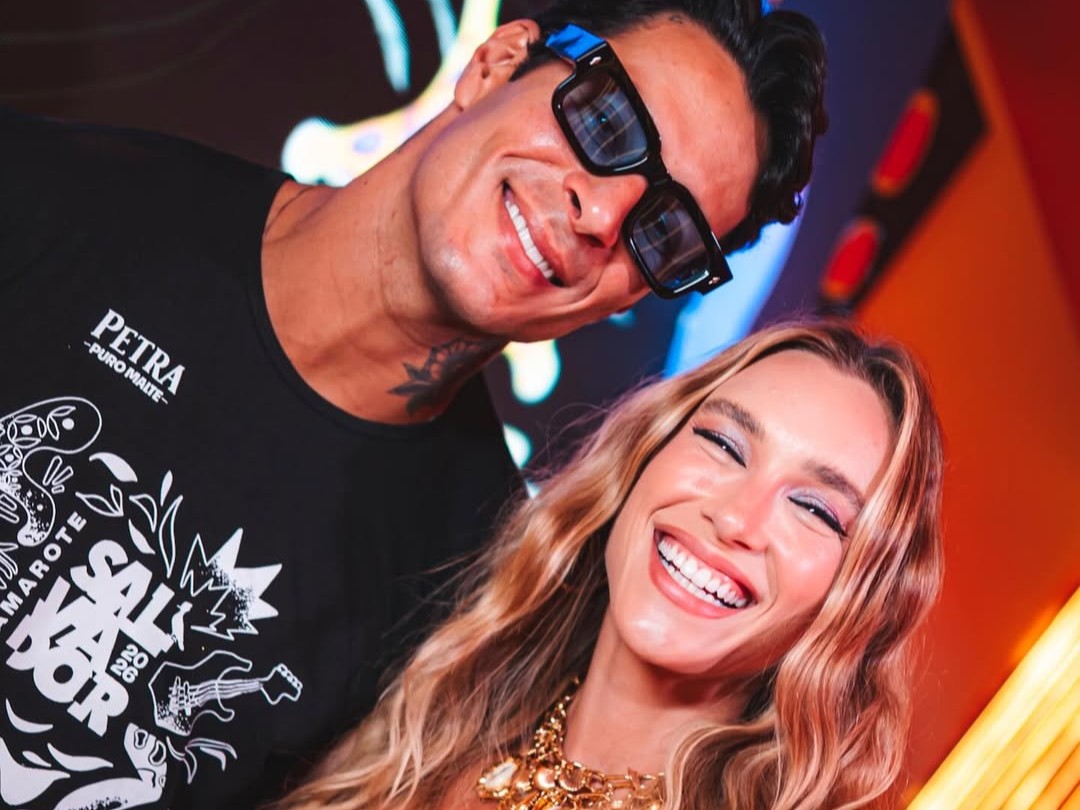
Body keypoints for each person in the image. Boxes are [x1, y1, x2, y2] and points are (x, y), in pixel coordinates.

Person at [0, 2, 826, 808]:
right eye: (607, 123)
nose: (603, 213)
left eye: (664, 231)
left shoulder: (472, 602)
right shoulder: (54, 195)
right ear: (495, 64)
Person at [279, 320, 944, 810]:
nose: (735, 519)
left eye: (815, 510)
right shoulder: (433, 701)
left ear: (857, 603)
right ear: (646, 452)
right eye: (723, 444)